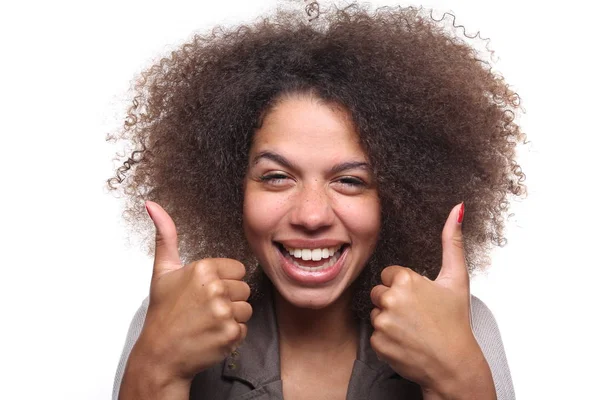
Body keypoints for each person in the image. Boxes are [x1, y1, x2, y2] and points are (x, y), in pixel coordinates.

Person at [108, 2, 526, 399]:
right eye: (276, 177)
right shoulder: (171, 317)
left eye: (349, 180)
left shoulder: (461, 324)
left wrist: (457, 377)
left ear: (397, 198)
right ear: (231, 188)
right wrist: (157, 366)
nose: (311, 216)